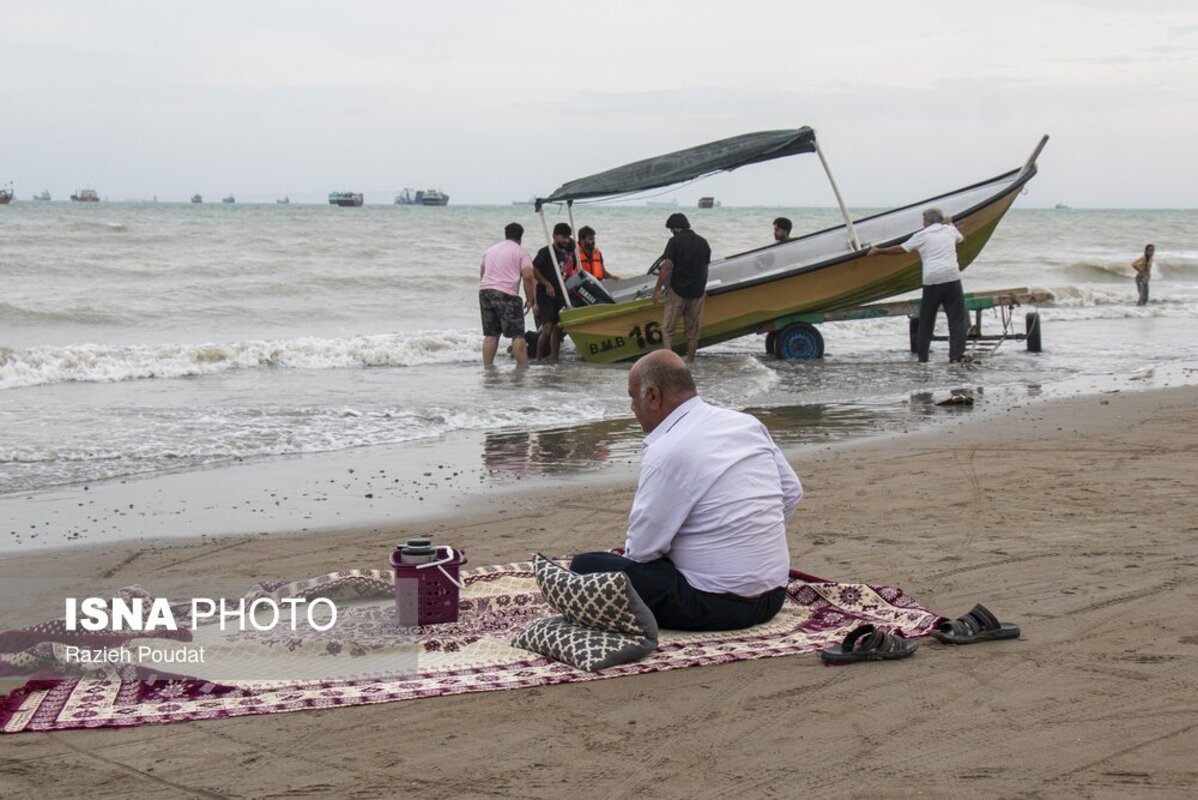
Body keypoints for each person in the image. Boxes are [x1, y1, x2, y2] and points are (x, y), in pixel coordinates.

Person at [570, 350, 802, 631]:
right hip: (774, 595)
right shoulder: (746, 424)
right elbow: (791, 492)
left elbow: (642, 550)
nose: (632, 407)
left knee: (585, 566)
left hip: (716, 606)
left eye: (633, 396)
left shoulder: (668, 449)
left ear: (652, 396)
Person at [870, 208, 969, 364]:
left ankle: (923, 358)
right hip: (952, 278)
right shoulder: (950, 231)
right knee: (957, 320)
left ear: (929, 221)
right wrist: (950, 223)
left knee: (926, 321)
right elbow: (961, 240)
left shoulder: (922, 235)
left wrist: (879, 251)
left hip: (932, 281)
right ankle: (956, 356)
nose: (923, 223)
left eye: (924, 220)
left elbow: (901, 249)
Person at [652, 213, 711, 362]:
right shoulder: (703, 242)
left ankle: (669, 362)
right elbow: (705, 268)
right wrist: (702, 289)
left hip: (677, 291)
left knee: (667, 329)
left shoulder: (674, 241)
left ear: (676, 228)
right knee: (692, 333)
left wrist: (657, 289)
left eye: (671, 229)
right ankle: (690, 362)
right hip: (697, 292)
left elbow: (666, 267)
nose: (671, 232)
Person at [479, 222, 537, 367]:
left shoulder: (490, 250)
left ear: (506, 234)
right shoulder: (521, 252)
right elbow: (528, 277)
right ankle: (523, 368)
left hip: (485, 291)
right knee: (517, 334)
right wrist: (530, 299)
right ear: (521, 237)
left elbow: (482, 272)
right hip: (506, 294)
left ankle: (488, 368)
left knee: (491, 334)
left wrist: (487, 290)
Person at [532, 223, 571, 361]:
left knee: (558, 329)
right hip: (545, 294)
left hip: (558, 295)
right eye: (563, 237)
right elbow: (534, 269)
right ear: (554, 236)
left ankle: (555, 359)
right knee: (547, 328)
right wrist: (546, 284)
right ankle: (538, 358)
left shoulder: (564, 254)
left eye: (568, 237)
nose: (566, 240)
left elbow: (564, 275)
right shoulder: (546, 251)